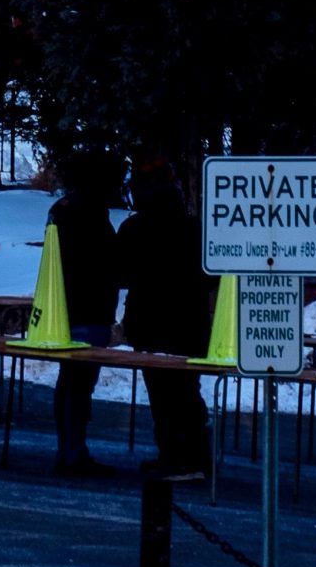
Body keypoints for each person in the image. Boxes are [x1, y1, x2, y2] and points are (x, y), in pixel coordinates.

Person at [116, 156, 212, 481]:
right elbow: (212, 278)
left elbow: (121, 273)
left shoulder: (134, 228)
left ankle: (179, 456)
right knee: (186, 392)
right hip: (190, 326)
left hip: (150, 326)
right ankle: (190, 455)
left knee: (163, 394)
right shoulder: (196, 229)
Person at [47, 155, 123, 478]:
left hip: (66, 308)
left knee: (69, 383)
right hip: (90, 310)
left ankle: (68, 449)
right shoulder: (93, 218)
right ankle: (74, 453)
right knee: (79, 386)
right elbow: (110, 266)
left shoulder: (61, 212)